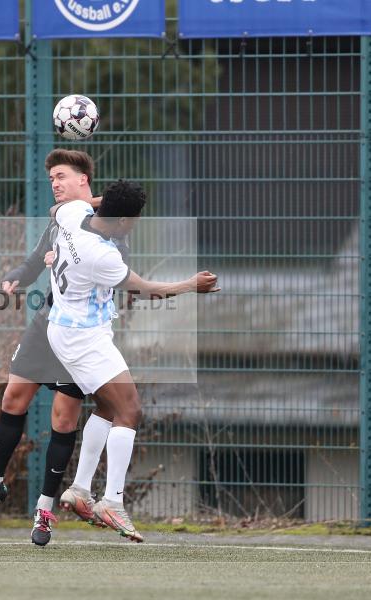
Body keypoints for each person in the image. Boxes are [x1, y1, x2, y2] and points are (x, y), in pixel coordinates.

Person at [0, 149, 121, 547]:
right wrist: (18, 275)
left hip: (81, 336)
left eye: (61, 176)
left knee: (63, 420)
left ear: (83, 179)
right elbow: (35, 261)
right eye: (51, 179)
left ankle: (44, 511)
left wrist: (65, 256)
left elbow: (110, 275)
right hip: (47, 323)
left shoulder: (107, 226)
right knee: (13, 397)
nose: (56, 184)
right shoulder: (61, 216)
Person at [47, 180, 219, 543]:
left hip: (64, 329)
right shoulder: (102, 255)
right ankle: (112, 501)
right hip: (84, 338)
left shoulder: (72, 213)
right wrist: (191, 285)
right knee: (130, 410)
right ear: (126, 220)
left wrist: (104, 201)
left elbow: (60, 208)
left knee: (109, 407)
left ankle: (79, 489)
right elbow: (145, 290)